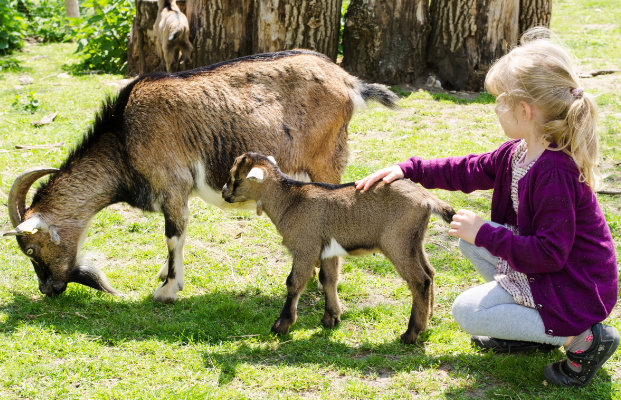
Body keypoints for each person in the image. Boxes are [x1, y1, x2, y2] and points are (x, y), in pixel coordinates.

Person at [355, 28, 618, 387]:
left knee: (467, 310)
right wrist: (409, 169)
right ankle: (531, 334)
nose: (493, 108)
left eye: (498, 101)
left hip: (573, 289)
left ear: (524, 110)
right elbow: (471, 168)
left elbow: (550, 254)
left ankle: (584, 340)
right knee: (470, 240)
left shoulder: (555, 172)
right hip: (550, 274)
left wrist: (486, 232)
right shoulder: (522, 150)